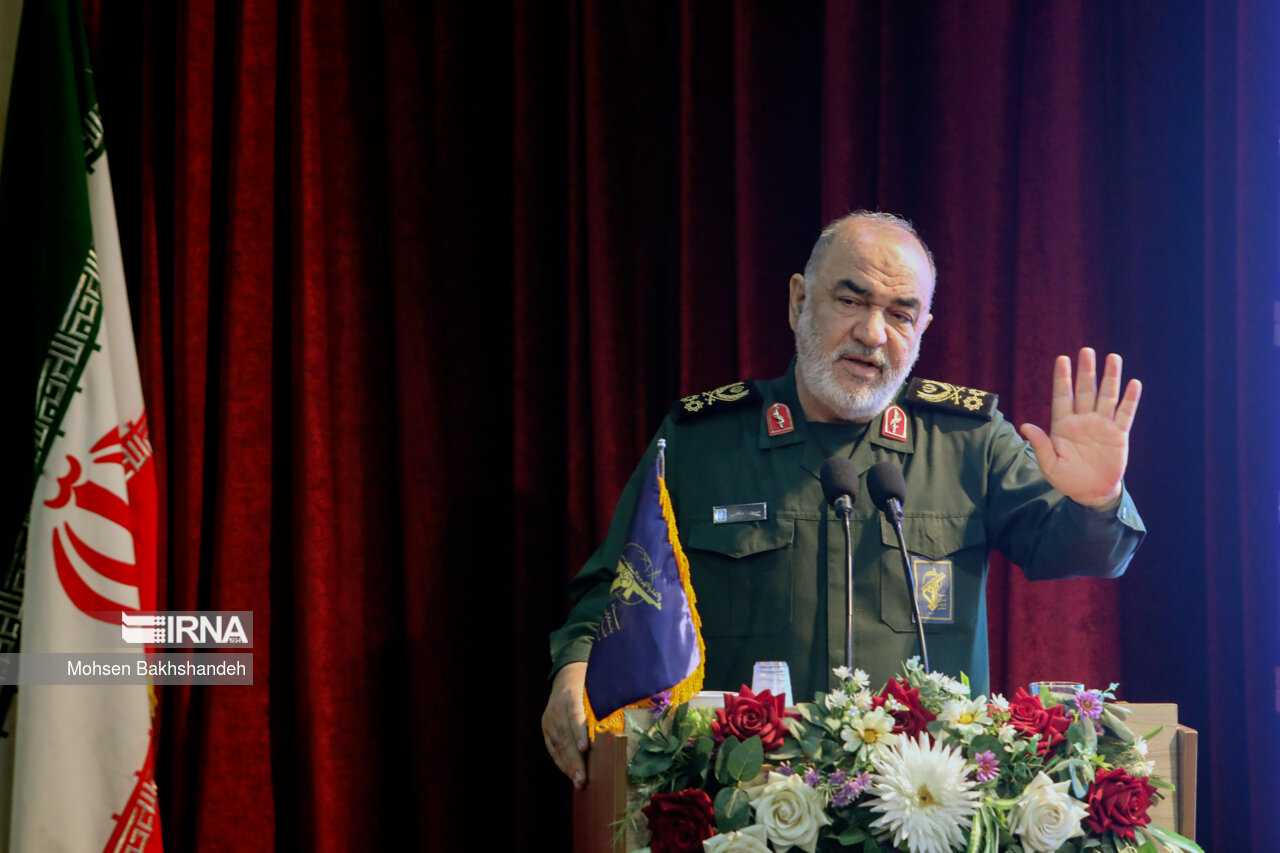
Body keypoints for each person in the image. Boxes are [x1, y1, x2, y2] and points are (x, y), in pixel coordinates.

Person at [542, 212, 1144, 788]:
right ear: (799, 301)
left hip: (923, 805)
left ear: (922, 328)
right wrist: (574, 669)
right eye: (851, 301)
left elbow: (1077, 551)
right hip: (739, 798)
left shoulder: (970, 440)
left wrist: (1098, 499)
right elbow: (619, 587)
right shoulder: (702, 442)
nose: (873, 333)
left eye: (901, 314)